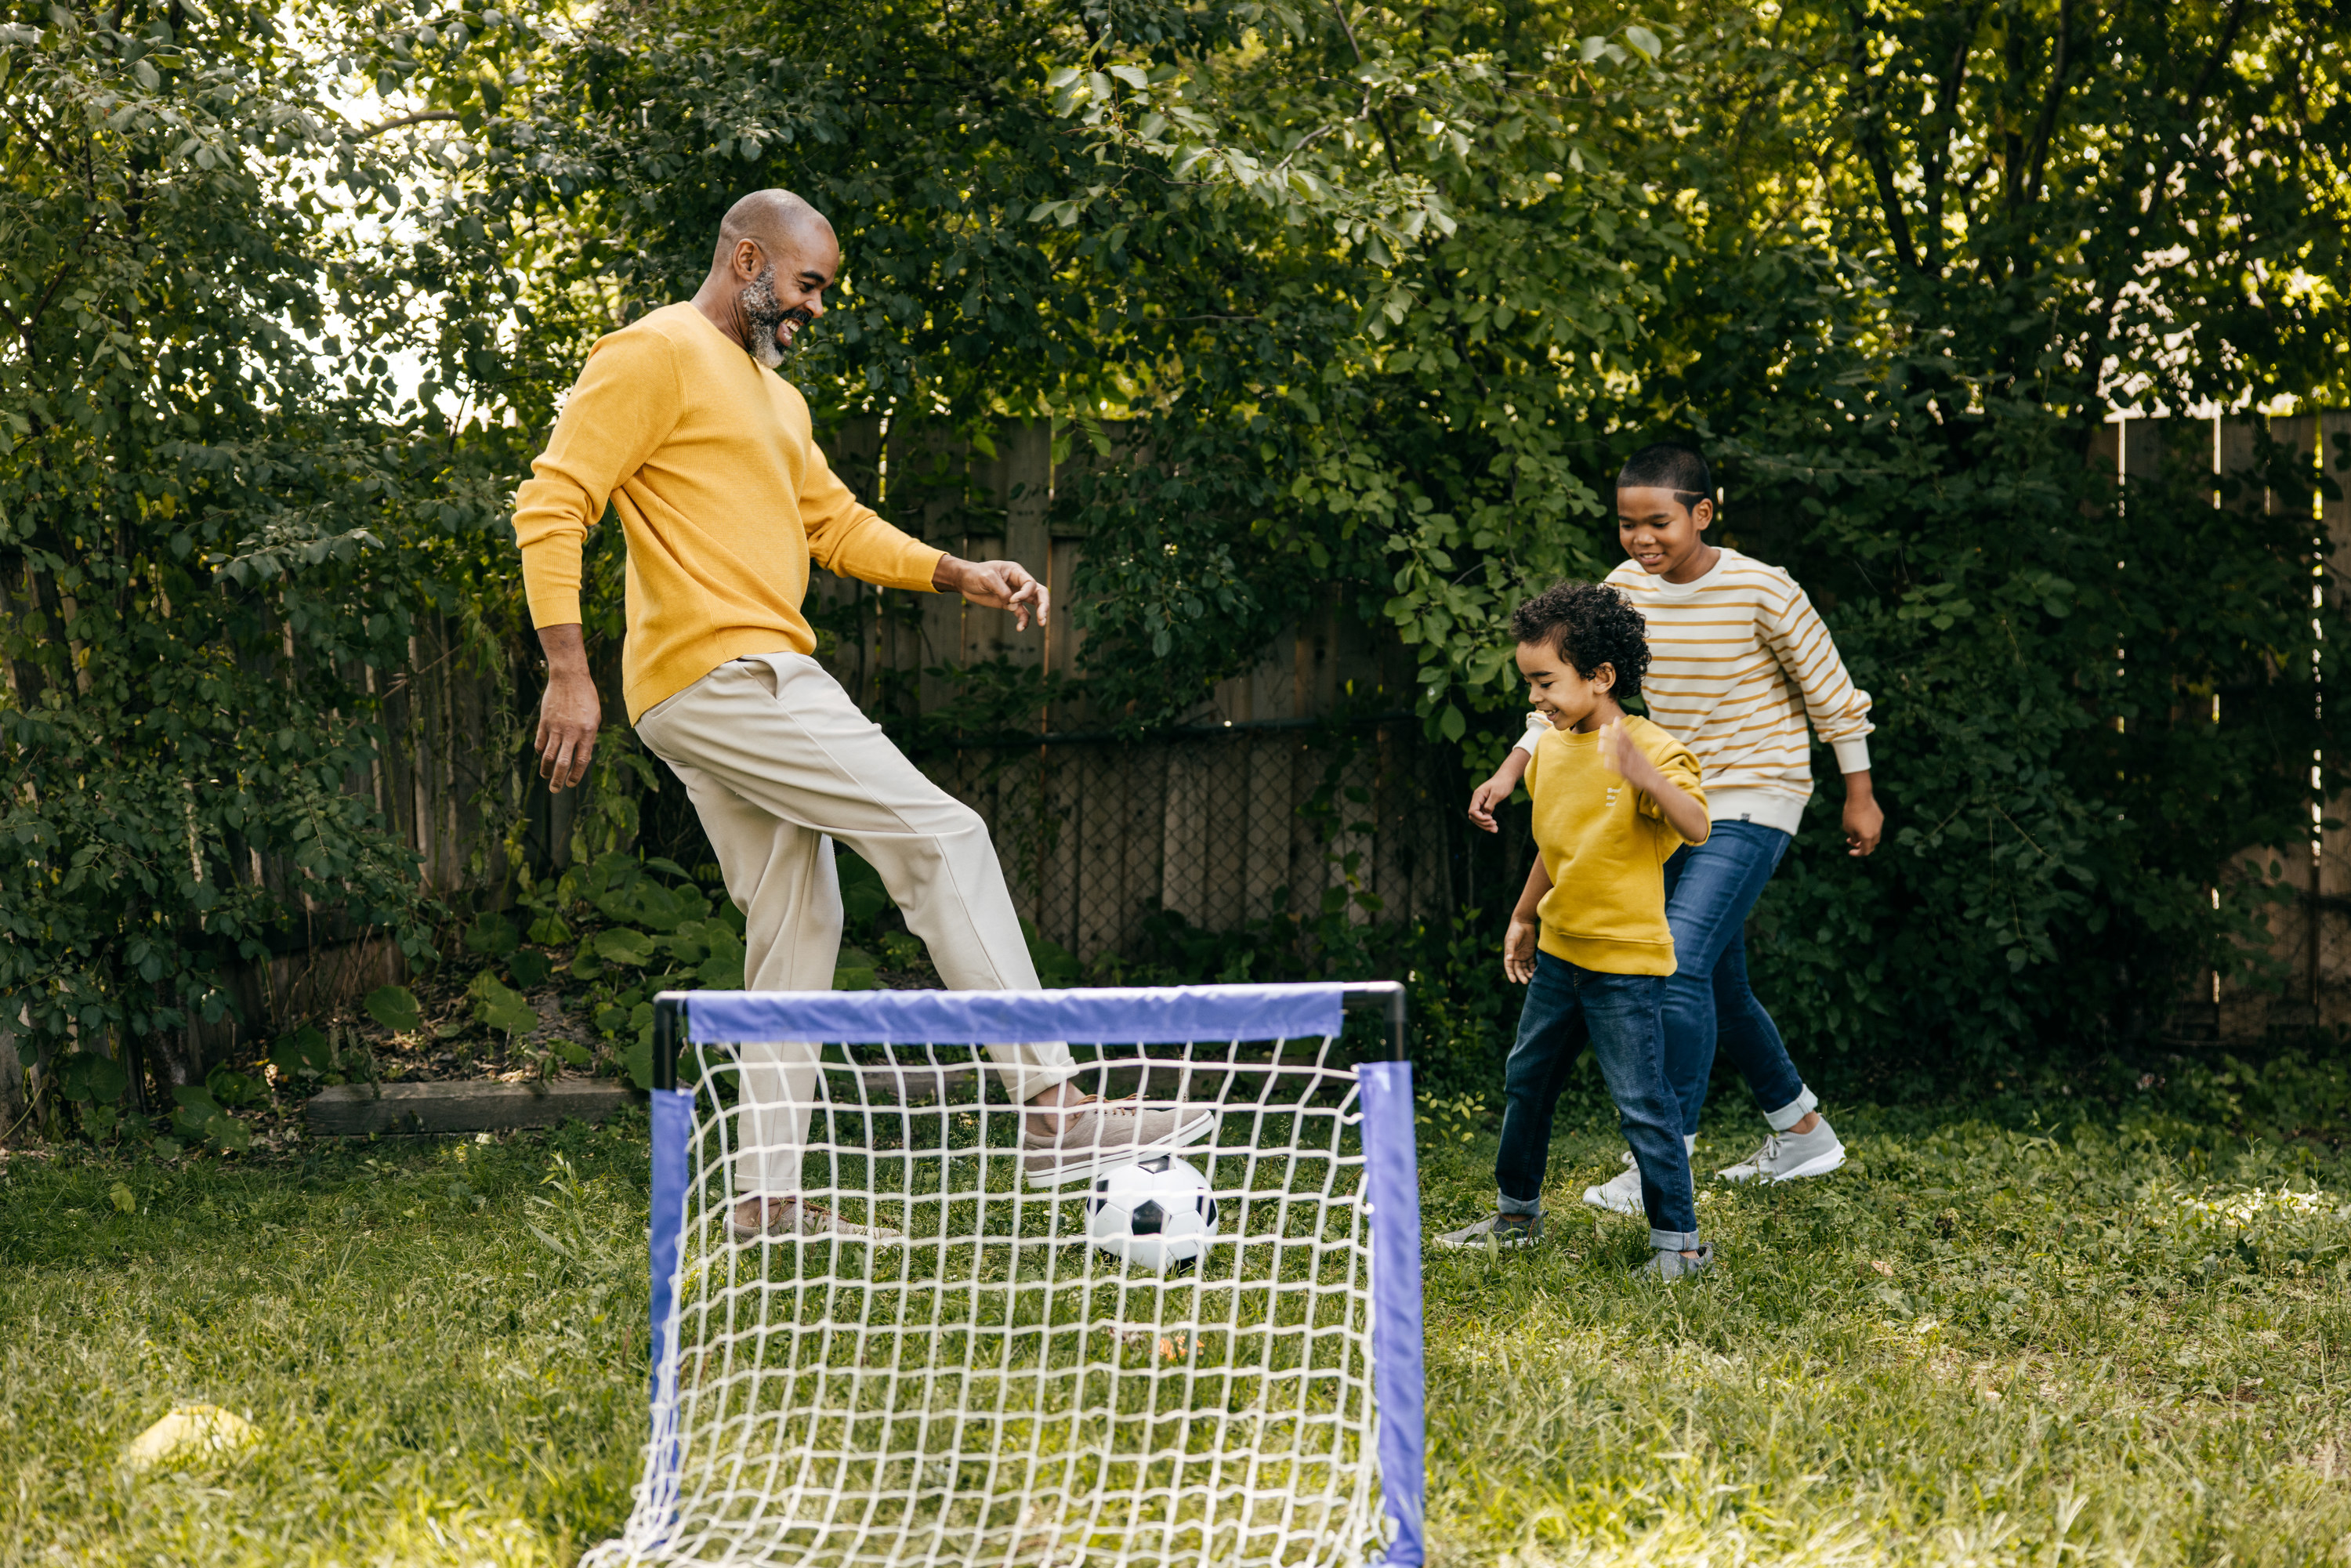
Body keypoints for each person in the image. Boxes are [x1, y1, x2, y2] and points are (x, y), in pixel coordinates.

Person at [514, 189, 1208, 1243]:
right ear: (747, 258)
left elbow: (833, 522)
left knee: (799, 924)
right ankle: (1052, 1106)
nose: (816, 308)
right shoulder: (652, 353)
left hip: (717, 686)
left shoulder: (773, 401)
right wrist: (568, 669)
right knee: (943, 837)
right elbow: (553, 501)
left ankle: (766, 1200)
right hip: (731, 674)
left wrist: (957, 573)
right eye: (807, 284)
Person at [1468, 442, 1878, 1214]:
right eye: (1627, 525)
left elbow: (1833, 694)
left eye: (1659, 523)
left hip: (1759, 791)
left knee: (1677, 963)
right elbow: (1568, 687)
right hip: (1675, 793)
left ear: (1702, 513)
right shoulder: (1624, 588)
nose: (1641, 540)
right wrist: (1514, 765)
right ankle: (1802, 1130)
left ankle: (1667, 1159)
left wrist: (1860, 792)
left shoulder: (1764, 591)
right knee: (1718, 976)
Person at [1438, 582, 1715, 1280]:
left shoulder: (1650, 747)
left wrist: (1642, 773)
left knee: (1643, 1105)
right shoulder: (1554, 749)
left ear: (1600, 677)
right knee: (1527, 1078)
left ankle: (1679, 1246)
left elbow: (1697, 825)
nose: (1535, 698)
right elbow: (1558, 849)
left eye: (1545, 682)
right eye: (1529, 682)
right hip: (1561, 957)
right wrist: (1525, 915)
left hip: (1625, 965)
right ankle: (1516, 1215)